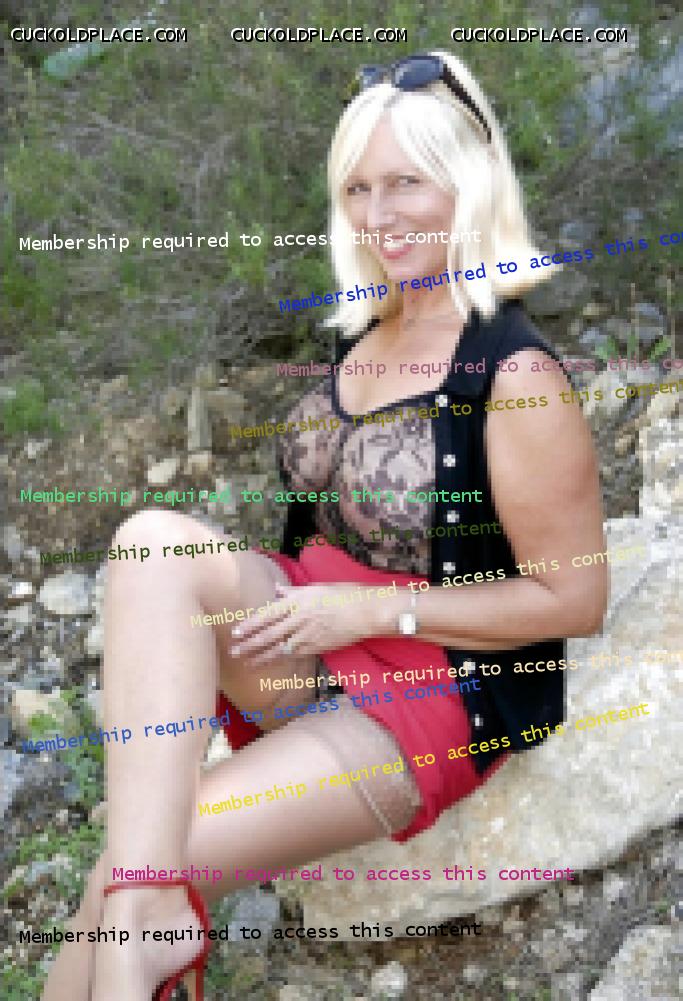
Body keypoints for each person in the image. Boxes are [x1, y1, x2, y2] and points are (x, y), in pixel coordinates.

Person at [43, 50, 608, 1001]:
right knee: (150, 540)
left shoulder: (516, 375)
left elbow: (575, 598)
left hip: (431, 689)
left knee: (133, 865)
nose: (378, 215)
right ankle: (148, 926)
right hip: (307, 633)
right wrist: (330, 610)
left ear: (468, 181)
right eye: (357, 188)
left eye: (405, 183)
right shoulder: (362, 329)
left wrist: (375, 612)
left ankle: (144, 929)